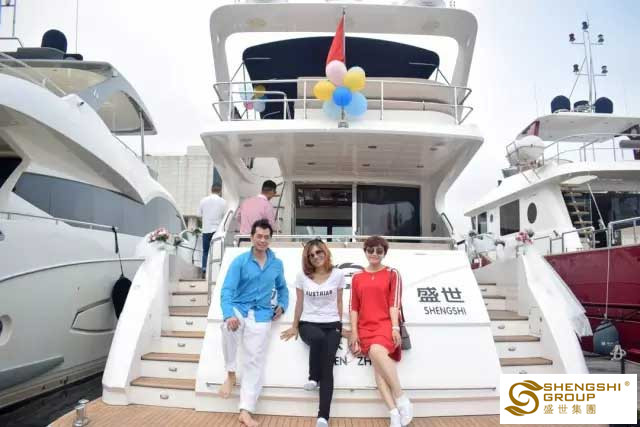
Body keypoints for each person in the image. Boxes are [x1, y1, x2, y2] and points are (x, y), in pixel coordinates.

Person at [218, 219, 289, 427]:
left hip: (262, 315)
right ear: (251, 237)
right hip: (239, 309)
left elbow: (283, 289)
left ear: (270, 239)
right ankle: (231, 374)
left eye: (266, 237)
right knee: (227, 327)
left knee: (254, 362)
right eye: (259, 236)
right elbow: (227, 291)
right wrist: (228, 314)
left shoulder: (276, 264)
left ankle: (245, 411)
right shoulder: (240, 261)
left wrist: (282, 305)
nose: (262, 240)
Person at [281, 239, 346, 427]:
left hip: (332, 324)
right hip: (308, 323)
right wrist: (294, 326)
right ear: (308, 259)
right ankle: (313, 377)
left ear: (325, 252)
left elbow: (339, 301)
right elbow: (299, 303)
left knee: (328, 369)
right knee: (318, 338)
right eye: (311, 255)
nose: (316, 257)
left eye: (319, 252)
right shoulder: (302, 276)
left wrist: (340, 325)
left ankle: (323, 417)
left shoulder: (338, 274)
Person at [349, 236, 413, 427]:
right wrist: (354, 332)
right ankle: (394, 413)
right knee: (378, 371)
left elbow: (394, 303)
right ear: (365, 251)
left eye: (379, 251)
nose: (374, 254)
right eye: (370, 250)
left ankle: (401, 398)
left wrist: (394, 327)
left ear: (384, 253)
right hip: (364, 328)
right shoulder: (357, 277)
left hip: (385, 325)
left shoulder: (392, 273)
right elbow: (354, 307)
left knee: (377, 351)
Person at [198, 184, 226, 277]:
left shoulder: (203, 200)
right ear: (220, 191)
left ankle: (204, 269)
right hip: (217, 231)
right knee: (217, 251)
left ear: (211, 189)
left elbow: (199, 215)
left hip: (206, 229)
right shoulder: (223, 202)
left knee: (205, 251)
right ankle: (216, 272)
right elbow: (224, 216)